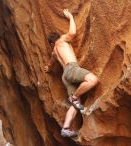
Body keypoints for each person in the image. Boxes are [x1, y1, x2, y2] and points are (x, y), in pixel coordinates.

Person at [44, 9, 98, 138]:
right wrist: (70, 17)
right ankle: (74, 97)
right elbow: (72, 33)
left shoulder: (54, 52)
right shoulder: (62, 40)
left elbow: (50, 65)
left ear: (51, 43)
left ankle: (66, 128)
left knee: (75, 105)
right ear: (58, 38)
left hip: (65, 76)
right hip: (72, 69)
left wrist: (48, 69)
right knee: (92, 80)